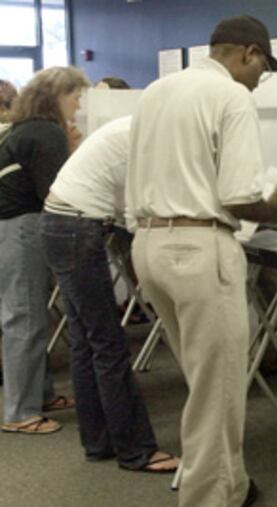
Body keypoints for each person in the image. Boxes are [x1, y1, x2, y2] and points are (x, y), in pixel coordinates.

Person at [126, 15, 277, 507]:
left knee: (206, 379)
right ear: (248, 54)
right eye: (262, 68)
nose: (260, 79)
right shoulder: (232, 97)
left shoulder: (158, 89)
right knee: (216, 392)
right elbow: (239, 197)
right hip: (199, 249)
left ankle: (233, 484)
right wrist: (276, 209)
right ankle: (208, 500)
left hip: (149, 247)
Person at [38, 116, 179, 471]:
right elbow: (137, 207)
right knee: (108, 344)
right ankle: (136, 450)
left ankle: (99, 441)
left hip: (60, 221)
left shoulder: (132, 126)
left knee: (87, 341)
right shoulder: (148, 135)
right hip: (76, 228)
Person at [0, 67, 89, 434]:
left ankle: (40, 394)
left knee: (30, 314)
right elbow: (55, 191)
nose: (79, 104)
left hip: (11, 226)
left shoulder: (25, 128)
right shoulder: (47, 132)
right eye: (75, 96)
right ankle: (20, 412)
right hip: (21, 226)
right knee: (24, 317)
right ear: (56, 97)